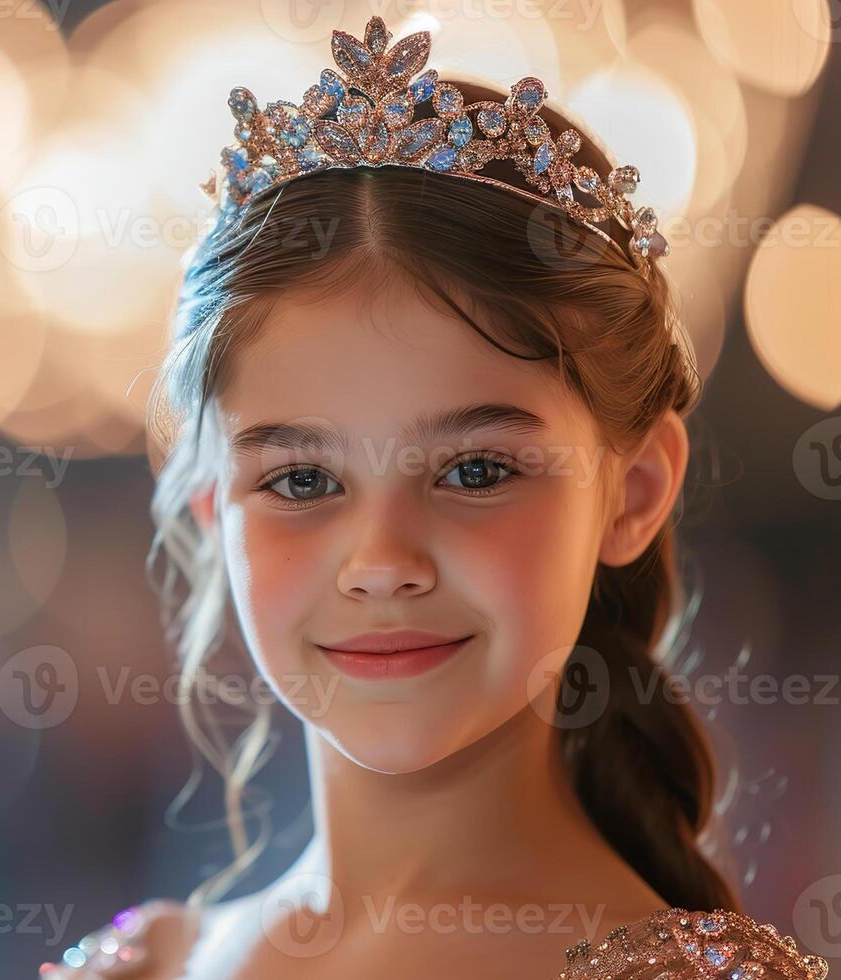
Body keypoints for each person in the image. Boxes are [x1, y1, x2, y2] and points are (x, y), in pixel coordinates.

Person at [40, 16, 829, 980]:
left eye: (475, 471)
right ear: (215, 514)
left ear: (634, 491)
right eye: (301, 481)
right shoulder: (147, 964)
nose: (381, 562)